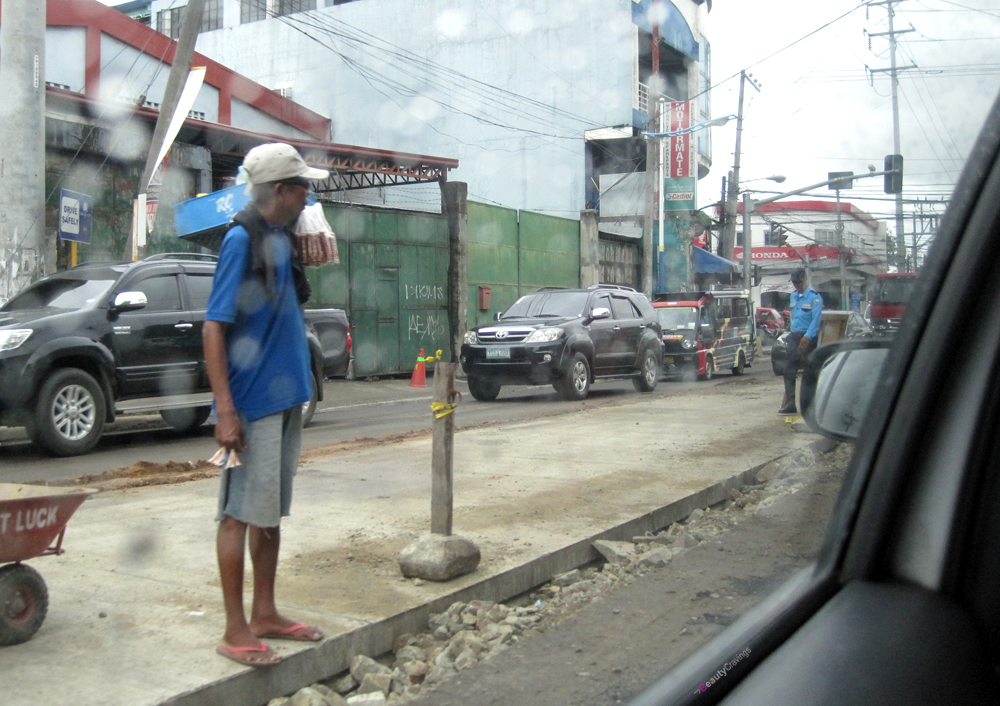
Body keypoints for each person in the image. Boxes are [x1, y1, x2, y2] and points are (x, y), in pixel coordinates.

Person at [203, 143, 330, 667]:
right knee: (238, 515)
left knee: (270, 515)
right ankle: (235, 630)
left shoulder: (279, 235)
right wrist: (226, 409)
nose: (309, 195)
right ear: (281, 190)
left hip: (287, 397)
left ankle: (265, 612)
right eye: (303, 187)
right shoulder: (240, 239)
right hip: (252, 402)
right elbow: (214, 326)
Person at [779, 268, 822, 415]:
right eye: (794, 282)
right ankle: (791, 403)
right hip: (794, 335)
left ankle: (809, 405)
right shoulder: (793, 297)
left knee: (809, 371)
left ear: (804, 280)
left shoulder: (815, 298)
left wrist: (808, 336)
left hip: (808, 337)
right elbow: (794, 316)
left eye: (798, 282)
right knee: (788, 369)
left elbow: (816, 320)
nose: (796, 285)